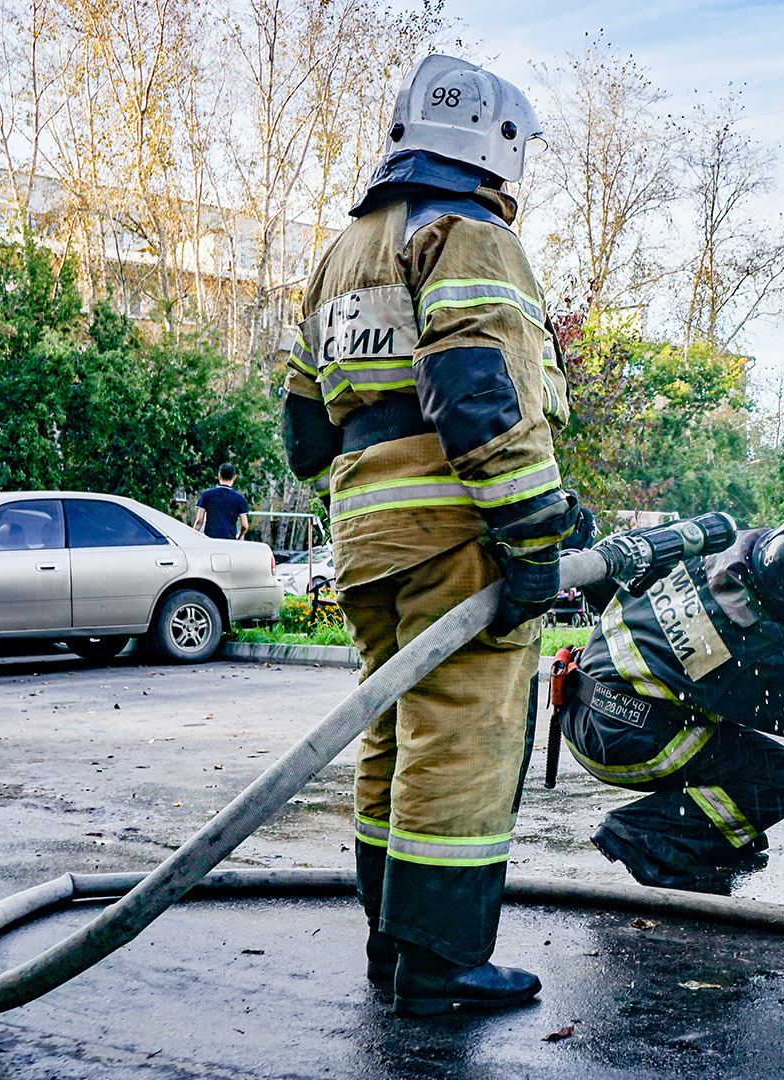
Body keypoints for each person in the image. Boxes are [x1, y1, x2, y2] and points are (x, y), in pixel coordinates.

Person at [279, 54, 574, 1020]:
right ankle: (442, 965)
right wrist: (532, 534)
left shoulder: (340, 254)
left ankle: (390, 946)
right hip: (456, 524)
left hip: (363, 534)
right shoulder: (469, 234)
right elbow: (478, 390)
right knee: (464, 736)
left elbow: (303, 435)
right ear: (499, 147)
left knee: (394, 732)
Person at [557, 513, 784, 891]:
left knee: (734, 730)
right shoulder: (756, 642)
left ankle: (711, 836)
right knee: (783, 779)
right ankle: (647, 836)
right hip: (620, 736)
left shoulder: (712, 545)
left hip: (588, 694)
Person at [193, 464, 251, 539]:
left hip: (211, 539)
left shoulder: (207, 495)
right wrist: (239, 536)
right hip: (229, 541)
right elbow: (245, 525)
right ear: (234, 478)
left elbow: (199, 521)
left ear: (219, 476)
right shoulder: (240, 499)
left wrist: (193, 537)